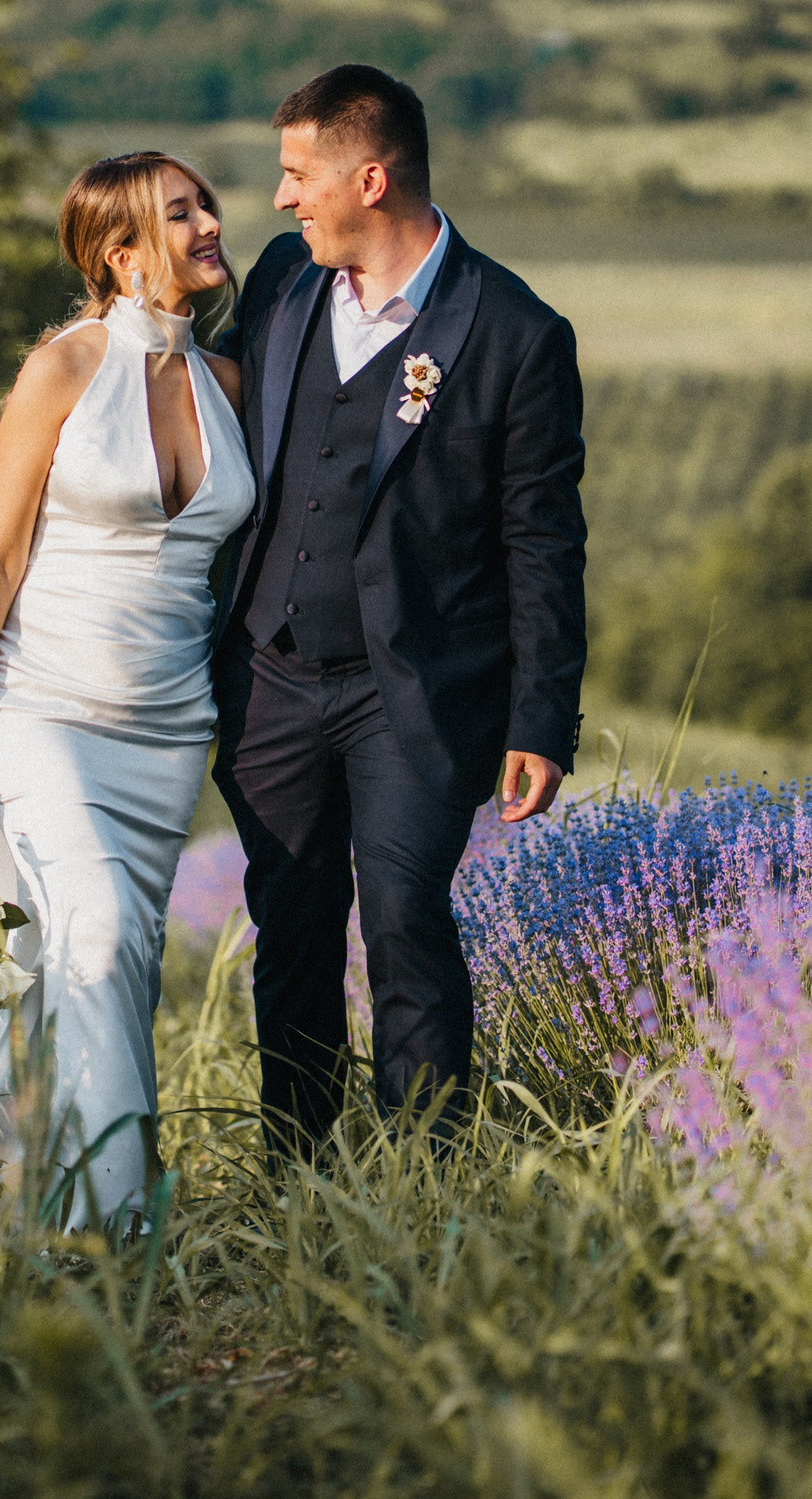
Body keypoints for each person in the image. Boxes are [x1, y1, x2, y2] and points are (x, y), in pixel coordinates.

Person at [214, 63, 586, 1160]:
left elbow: (542, 541)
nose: (281, 201)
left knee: (406, 928)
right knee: (288, 930)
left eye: (297, 175)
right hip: (268, 674)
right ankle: (299, 1176)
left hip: (411, 692)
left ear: (369, 178)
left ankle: (424, 1185)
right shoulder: (283, 280)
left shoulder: (515, 331)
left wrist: (540, 719)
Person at [0, 152, 251, 1230]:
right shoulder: (61, 370)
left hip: (166, 733)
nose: (208, 223)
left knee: (96, 965)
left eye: (203, 205)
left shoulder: (229, 386)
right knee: (91, 934)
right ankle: (114, 1221)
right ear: (121, 252)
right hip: (40, 710)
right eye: (178, 213)